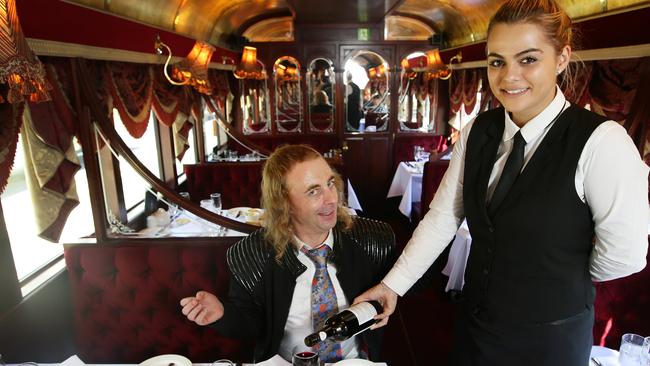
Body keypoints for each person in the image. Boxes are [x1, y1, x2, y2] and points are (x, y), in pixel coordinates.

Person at [354, 0, 649, 365]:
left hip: (550, 340)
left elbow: (624, 258)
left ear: (562, 58)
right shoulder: (479, 130)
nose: (509, 77)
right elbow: (443, 217)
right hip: (477, 328)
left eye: (528, 59)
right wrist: (392, 285)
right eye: (497, 61)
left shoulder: (603, 142)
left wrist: (558, 273)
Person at [180, 144, 395, 364]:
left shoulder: (369, 239)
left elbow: (415, 281)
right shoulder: (252, 254)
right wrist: (222, 313)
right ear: (284, 204)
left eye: (330, 183)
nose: (331, 199)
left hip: (353, 361)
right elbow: (252, 323)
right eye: (313, 191)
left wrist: (395, 287)